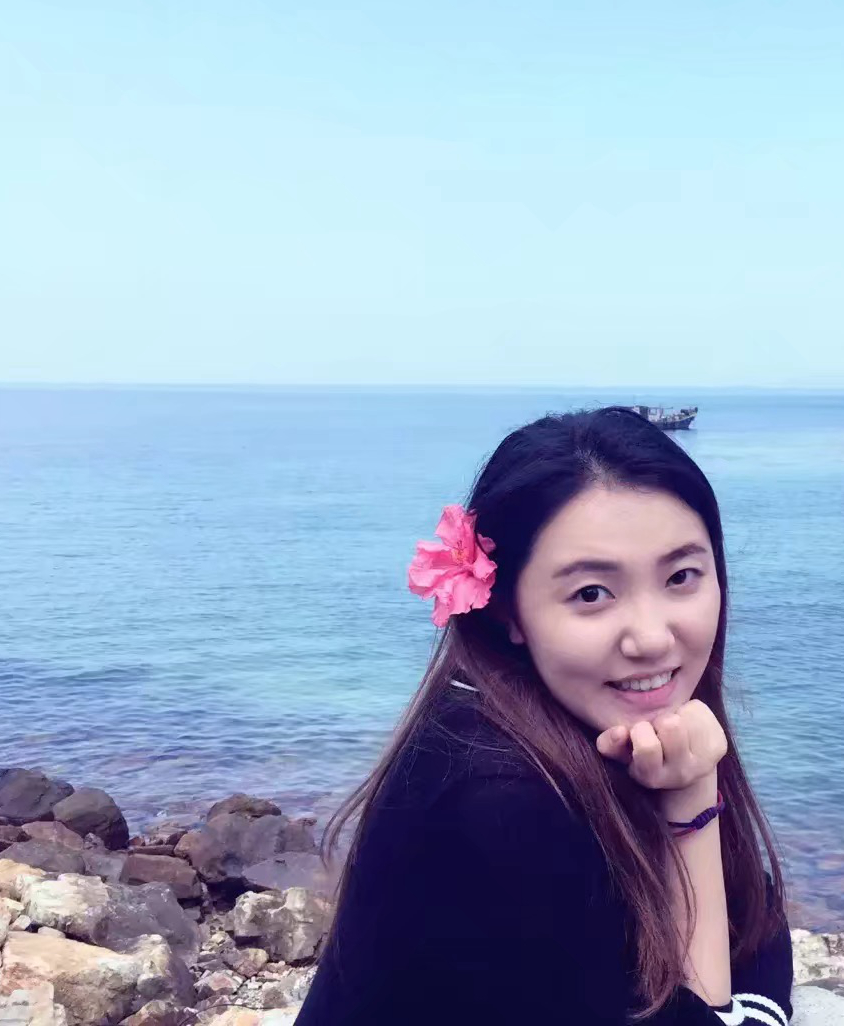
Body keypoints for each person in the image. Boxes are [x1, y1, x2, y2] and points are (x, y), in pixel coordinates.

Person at [296, 406, 793, 1025]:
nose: (652, 637)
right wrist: (692, 802)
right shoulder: (498, 799)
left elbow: (756, 915)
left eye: (681, 576)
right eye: (591, 593)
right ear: (507, 611)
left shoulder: (568, 728)